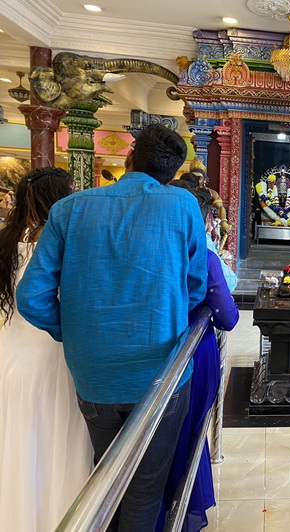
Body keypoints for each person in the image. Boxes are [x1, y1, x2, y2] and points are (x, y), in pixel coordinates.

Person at [17, 124, 207, 532]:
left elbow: (31, 297)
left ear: (129, 156)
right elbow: (195, 286)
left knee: (106, 477)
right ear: (172, 172)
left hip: (94, 374)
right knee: (146, 486)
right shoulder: (182, 205)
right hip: (161, 371)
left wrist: (77, 331)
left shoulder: (69, 209)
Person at [0, 168, 93, 532]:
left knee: (18, 449)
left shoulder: (7, 243)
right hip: (52, 358)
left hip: (9, 356)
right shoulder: (62, 245)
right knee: (56, 445)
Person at [158, 186, 239, 532]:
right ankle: (178, 510)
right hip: (192, 353)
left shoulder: (148, 248)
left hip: (148, 350)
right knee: (187, 433)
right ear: (201, 219)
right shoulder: (201, 257)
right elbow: (228, 317)